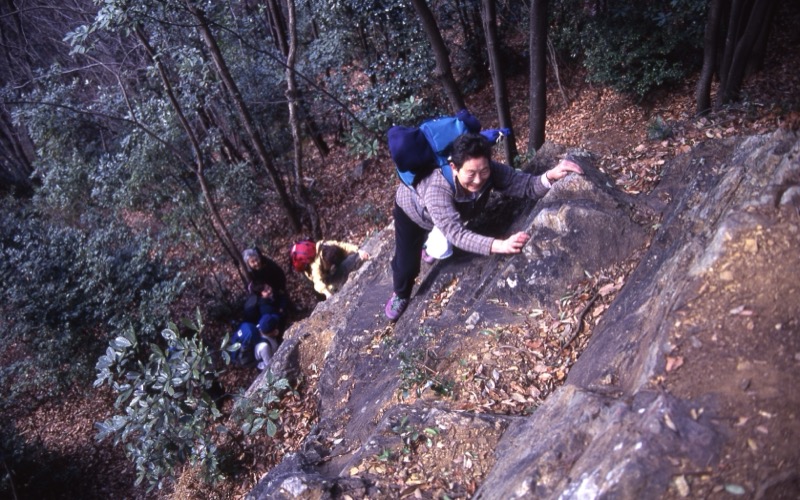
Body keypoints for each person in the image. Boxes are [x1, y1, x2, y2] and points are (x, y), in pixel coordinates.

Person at [385, 132, 584, 320]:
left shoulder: (488, 171)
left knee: (443, 234)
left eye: (484, 171)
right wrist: (500, 246)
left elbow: (526, 185)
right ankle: (400, 293)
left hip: (449, 212)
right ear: (454, 167)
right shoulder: (437, 189)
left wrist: (550, 176)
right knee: (406, 265)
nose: (479, 179)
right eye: (470, 173)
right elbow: (457, 234)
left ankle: (432, 245)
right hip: (413, 213)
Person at [291, 239, 370, 299]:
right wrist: (327, 293)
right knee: (333, 287)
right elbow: (318, 283)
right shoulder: (315, 267)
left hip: (329, 265)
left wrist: (359, 251)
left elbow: (343, 246)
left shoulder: (327, 244)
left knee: (345, 265)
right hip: (324, 278)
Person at [242, 247, 290, 321]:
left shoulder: (267, 263)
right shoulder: (250, 273)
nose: (256, 263)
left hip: (277, 285)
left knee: (283, 299)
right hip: (265, 291)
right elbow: (252, 286)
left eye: (256, 259)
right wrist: (262, 290)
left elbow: (280, 273)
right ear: (248, 264)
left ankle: (290, 310)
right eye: (252, 262)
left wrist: (281, 287)